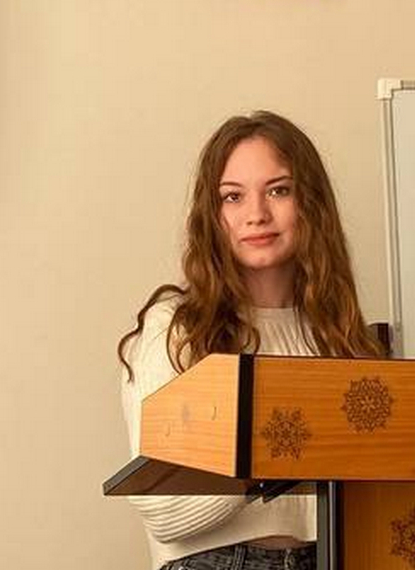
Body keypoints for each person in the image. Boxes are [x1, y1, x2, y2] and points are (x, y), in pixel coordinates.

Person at [118, 111, 384, 570]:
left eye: (279, 190)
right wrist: (282, 446)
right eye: (233, 197)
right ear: (212, 214)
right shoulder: (176, 330)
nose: (256, 214)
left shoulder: (343, 338)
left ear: (311, 204)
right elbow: (164, 509)